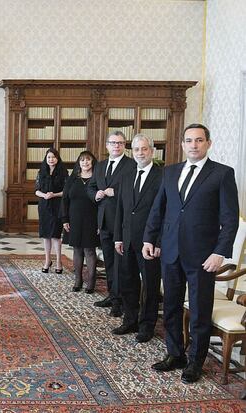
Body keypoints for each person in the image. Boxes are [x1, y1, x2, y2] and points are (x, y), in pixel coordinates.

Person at [143, 124, 239, 383]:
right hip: (170, 251)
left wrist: (219, 252)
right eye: (189, 140)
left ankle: (196, 361)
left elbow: (230, 219)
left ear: (208, 143)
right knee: (171, 306)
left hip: (203, 257)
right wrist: (149, 238)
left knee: (199, 311)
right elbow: (158, 209)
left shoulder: (222, 174)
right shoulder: (170, 172)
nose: (193, 145)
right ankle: (175, 354)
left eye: (198, 140)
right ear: (183, 144)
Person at [113, 134, 163, 343]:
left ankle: (147, 325)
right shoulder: (126, 175)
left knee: (150, 286)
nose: (140, 153)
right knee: (128, 281)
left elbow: (166, 213)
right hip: (127, 239)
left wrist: (158, 242)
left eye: (144, 149)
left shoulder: (162, 176)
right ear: (131, 152)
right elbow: (121, 209)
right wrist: (118, 237)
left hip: (149, 243)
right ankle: (130, 320)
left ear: (152, 151)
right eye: (136, 149)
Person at [88, 131, 136, 317]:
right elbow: (91, 187)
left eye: (120, 143)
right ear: (107, 145)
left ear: (125, 146)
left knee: (121, 263)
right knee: (108, 261)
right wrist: (96, 194)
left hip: (122, 222)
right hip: (104, 221)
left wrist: (116, 192)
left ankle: (121, 300)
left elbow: (134, 191)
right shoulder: (100, 166)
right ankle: (112, 294)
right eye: (113, 143)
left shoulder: (131, 165)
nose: (116, 146)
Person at [61, 151, 100, 293]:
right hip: (74, 219)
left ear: (92, 162)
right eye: (82, 160)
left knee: (89, 250)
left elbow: (102, 203)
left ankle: (91, 282)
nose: (85, 162)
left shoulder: (98, 179)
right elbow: (65, 199)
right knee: (77, 249)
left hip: (92, 220)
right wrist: (65, 219)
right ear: (79, 162)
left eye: (88, 160)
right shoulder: (73, 179)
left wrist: (100, 223)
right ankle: (78, 280)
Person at [35, 148, 68, 273]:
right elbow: (36, 190)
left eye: (53, 157)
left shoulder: (63, 172)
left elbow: (66, 191)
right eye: (48, 157)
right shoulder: (41, 172)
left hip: (57, 205)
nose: (51, 159)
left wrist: (54, 194)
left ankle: (59, 261)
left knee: (55, 235)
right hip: (44, 205)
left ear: (57, 158)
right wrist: (45, 195)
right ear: (46, 158)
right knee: (45, 235)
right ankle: (47, 260)